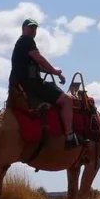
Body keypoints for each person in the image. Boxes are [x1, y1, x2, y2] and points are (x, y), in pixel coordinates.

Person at [9, 18, 85, 149]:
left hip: (21, 84)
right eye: (30, 27)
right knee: (67, 100)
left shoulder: (21, 45)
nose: (33, 30)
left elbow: (39, 65)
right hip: (32, 84)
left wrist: (56, 73)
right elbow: (40, 59)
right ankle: (69, 136)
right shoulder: (27, 41)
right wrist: (54, 71)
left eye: (35, 28)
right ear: (23, 29)